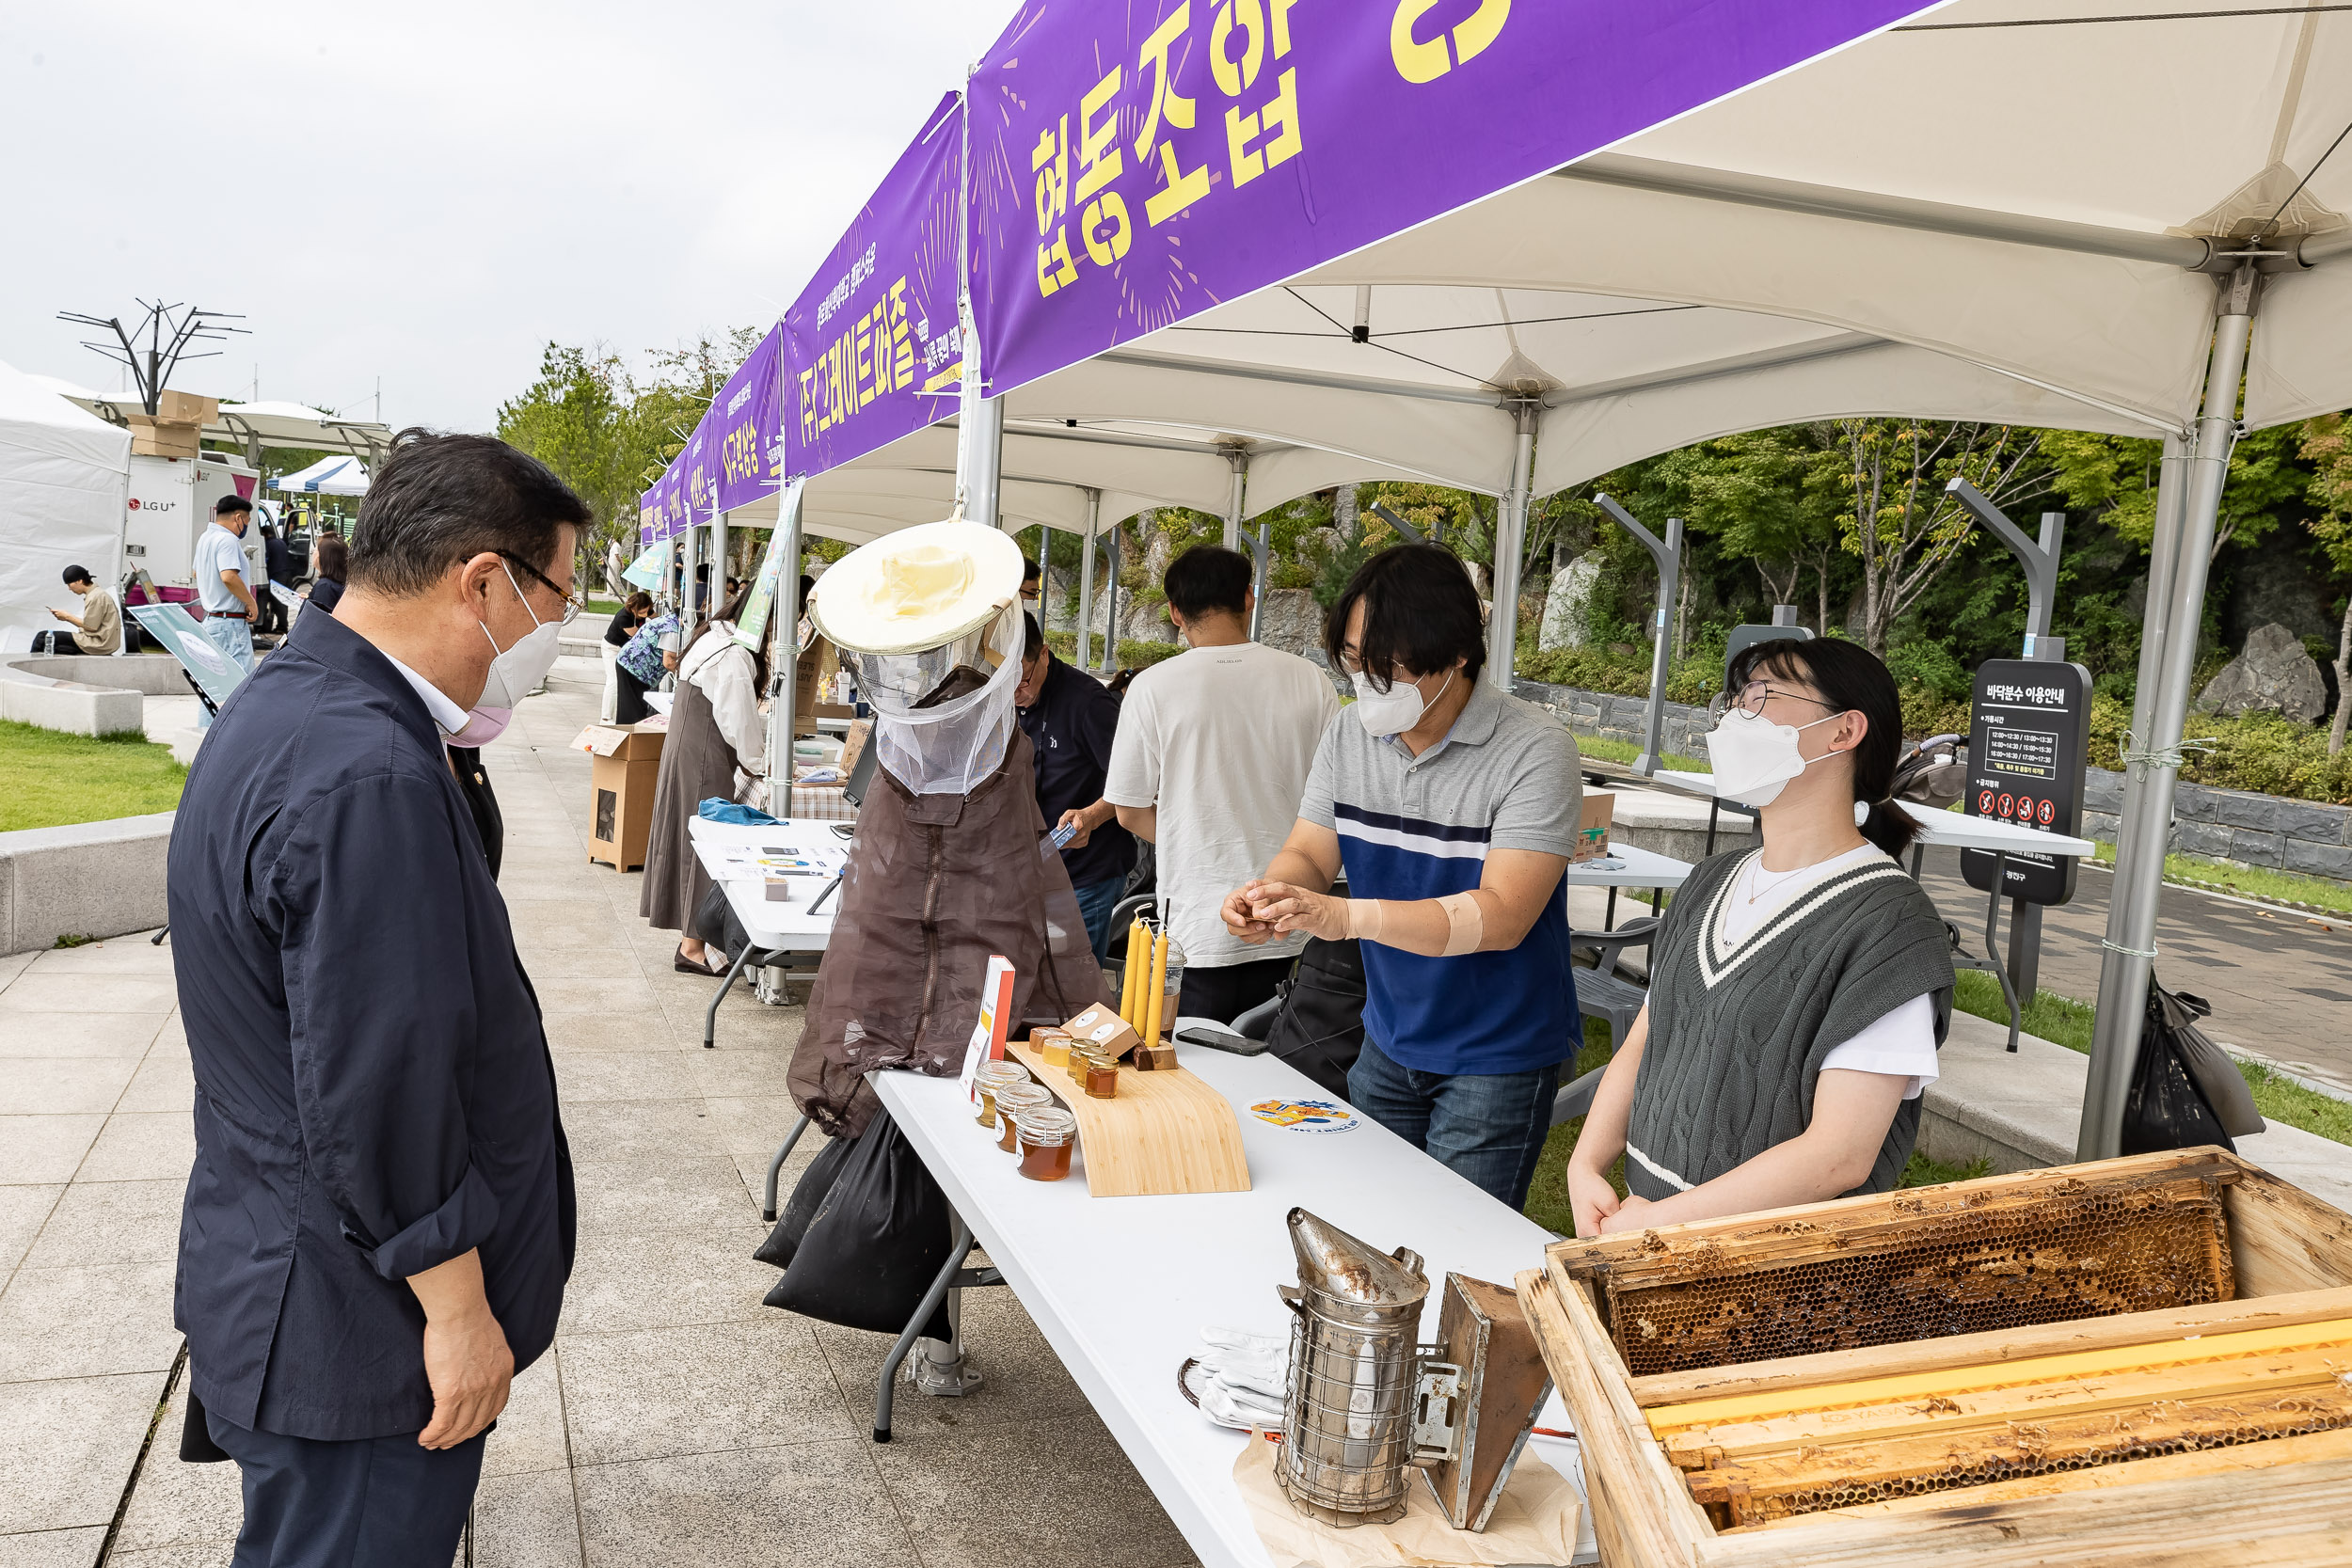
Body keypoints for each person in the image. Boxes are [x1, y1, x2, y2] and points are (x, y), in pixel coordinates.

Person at [164, 429, 583, 1565]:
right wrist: (456, 1311)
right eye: (559, 596)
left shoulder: (303, 704)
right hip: (359, 1322)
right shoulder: (364, 774)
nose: (556, 633)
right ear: (483, 581)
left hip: (293, 1262)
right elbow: (379, 1083)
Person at [1221, 545, 1581, 1208]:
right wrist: (1274, 891)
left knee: (1456, 1248)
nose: (1370, 683)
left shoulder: (1536, 749)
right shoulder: (1348, 733)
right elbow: (1310, 849)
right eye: (1358, 661)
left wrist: (1345, 916)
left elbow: (1501, 915)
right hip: (1387, 1033)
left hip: (1494, 1053)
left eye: (1390, 666)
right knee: (1369, 1225)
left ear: (1457, 656)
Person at [1566, 640, 1957, 1239]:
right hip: (1643, 1229)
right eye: (1736, 701)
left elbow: (1839, 1154)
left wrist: (1660, 1224)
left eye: (1761, 699)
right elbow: (1647, 1038)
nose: (1734, 721)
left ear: (1843, 730)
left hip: (1775, 1276)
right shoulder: (1710, 881)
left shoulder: (1891, 929)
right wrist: (1587, 1161)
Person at [1106, 545, 1338, 1022]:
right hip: (1292, 917)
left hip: (1197, 923)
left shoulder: (1152, 687)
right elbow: (1336, 799)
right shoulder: (1311, 680)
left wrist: (1190, 837)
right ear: (1249, 599)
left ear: (1174, 612)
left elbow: (1127, 809)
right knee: (1280, 1080)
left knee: (1192, 1070)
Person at [641, 585, 770, 974]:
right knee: (706, 844)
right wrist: (760, 764)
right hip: (705, 751)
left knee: (688, 837)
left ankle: (691, 940)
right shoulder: (731, 654)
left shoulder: (714, 634)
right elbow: (740, 723)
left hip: (690, 745)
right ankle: (693, 945)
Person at [1015, 610, 1133, 961]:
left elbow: (1135, 783)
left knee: (1075, 984)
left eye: (1023, 680)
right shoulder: (1005, 696)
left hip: (1084, 873)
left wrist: (1093, 816)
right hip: (1026, 867)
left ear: (1045, 654)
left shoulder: (1089, 703)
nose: (1017, 693)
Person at [192, 495, 261, 729]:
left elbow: (196, 574)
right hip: (229, 622)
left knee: (213, 685)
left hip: (211, 619)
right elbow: (228, 576)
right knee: (240, 685)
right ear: (238, 518)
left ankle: (204, 737)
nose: (246, 527)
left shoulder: (205, 538)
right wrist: (250, 601)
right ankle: (232, 741)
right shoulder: (227, 540)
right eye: (247, 521)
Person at [613, 600, 681, 724]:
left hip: (631, 664)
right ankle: (631, 739)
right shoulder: (673, 629)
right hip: (635, 668)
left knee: (630, 708)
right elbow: (669, 662)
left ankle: (627, 735)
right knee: (634, 711)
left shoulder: (669, 619)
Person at [39, 564, 120, 655]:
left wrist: (67, 617)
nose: (69, 588)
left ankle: (28, 667)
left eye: (69, 584)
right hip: (100, 640)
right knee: (56, 647)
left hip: (98, 643)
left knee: (42, 637)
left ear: (79, 581)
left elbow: (91, 627)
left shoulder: (95, 596)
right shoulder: (97, 593)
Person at [600, 591, 652, 721]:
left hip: (627, 650)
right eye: (642, 613)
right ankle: (606, 718)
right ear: (634, 608)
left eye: (647, 611)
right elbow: (640, 637)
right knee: (614, 681)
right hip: (612, 649)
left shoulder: (645, 610)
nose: (645, 615)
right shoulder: (623, 618)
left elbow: (657, 618)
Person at [260, 520, 294, 635]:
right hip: (286, 574)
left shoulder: (268, 545)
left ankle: (282, 627)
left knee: (278, 602)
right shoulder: (281, 542)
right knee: (282, 601)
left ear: (264, 534)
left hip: (276, 575)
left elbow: (266, 560)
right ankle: (282, 625)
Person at [307, 535, 348, 614]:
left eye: (315, 550)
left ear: (322, 557)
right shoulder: (338, 584)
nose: (312, 553)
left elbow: (319, 619)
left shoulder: (325, 587)